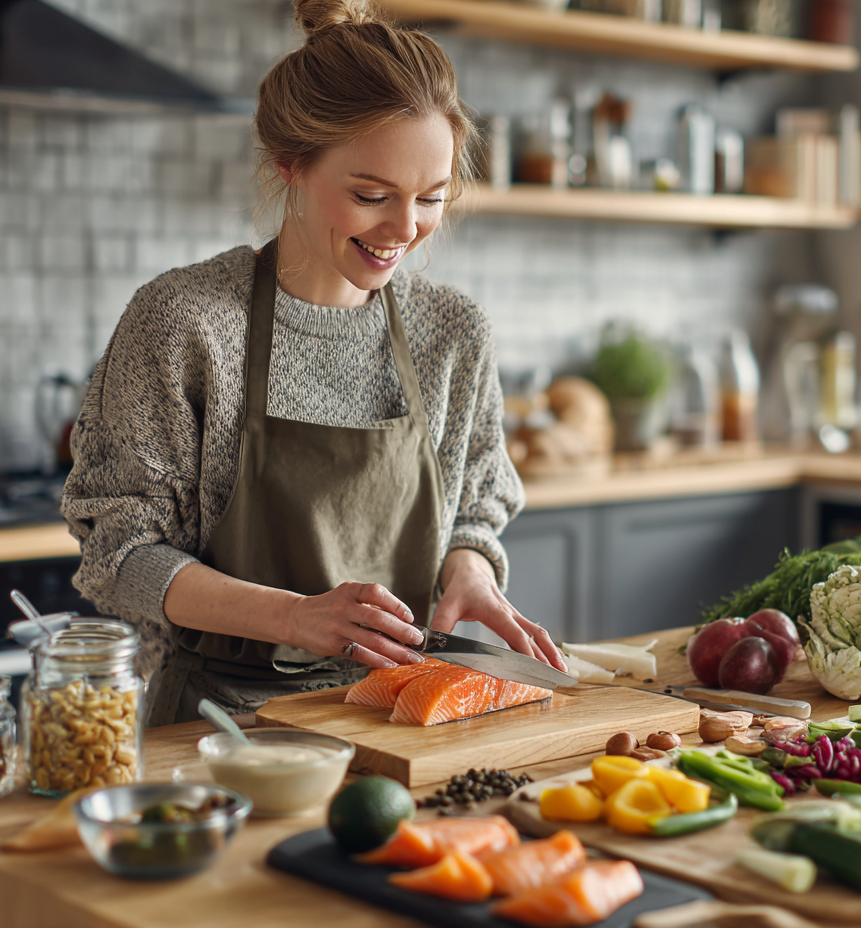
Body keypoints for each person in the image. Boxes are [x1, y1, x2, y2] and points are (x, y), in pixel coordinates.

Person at [61, 0, 566, 726]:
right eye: (370, 196)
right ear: (289, 164)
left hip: (403, 715)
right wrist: (296, 618)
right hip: (225, 729)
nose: (404, 230)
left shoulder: (453, 333)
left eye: (430, 198)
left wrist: (470, 570)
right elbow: (120, 556)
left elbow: (474, 509)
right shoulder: (187, 323)